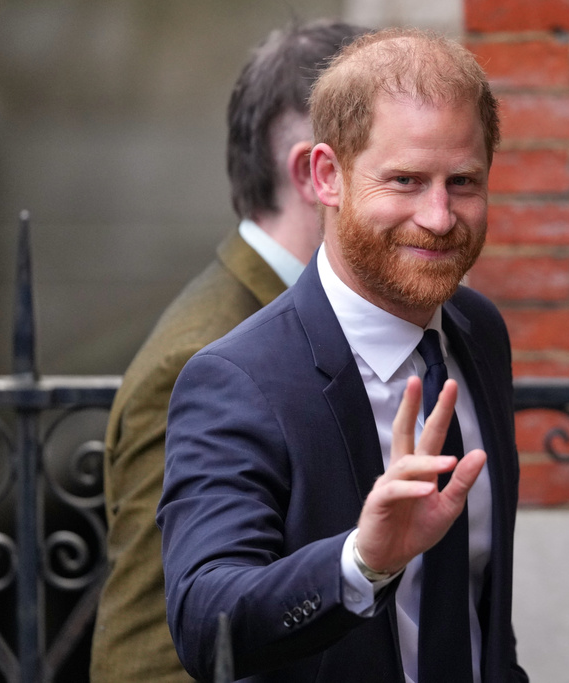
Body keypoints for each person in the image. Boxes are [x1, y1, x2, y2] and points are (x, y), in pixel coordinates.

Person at [159, 27, 528, 683]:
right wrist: (362, 561)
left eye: (463, 181)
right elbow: (204, 616)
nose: (440, 217)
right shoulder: (238, 378)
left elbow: (479, 610)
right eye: (406, 180)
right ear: (327, 176)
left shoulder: (479, 332)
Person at [90, 19, 370, 683]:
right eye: (391, 164)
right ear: (316, 171)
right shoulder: (203, 358)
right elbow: (150, 655)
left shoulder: (314, 322)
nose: (427, 208)